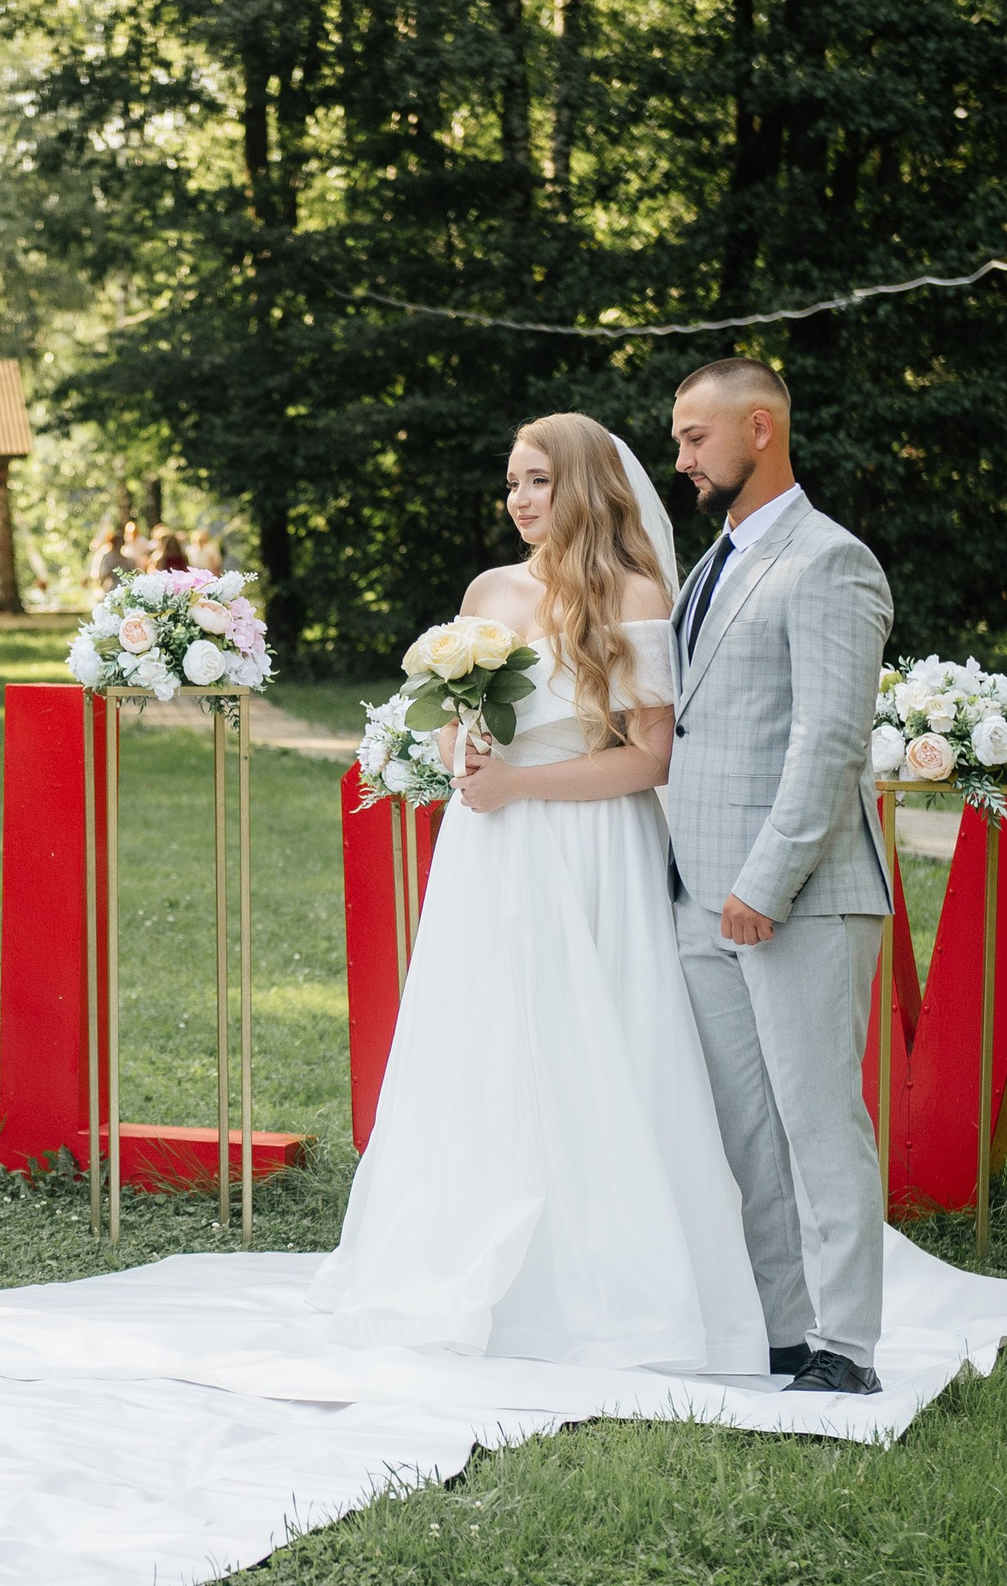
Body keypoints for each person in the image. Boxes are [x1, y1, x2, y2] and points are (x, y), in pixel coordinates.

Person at [307, 412, 770, 1373]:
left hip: (591, 842)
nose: (519, 500)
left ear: (588, 485)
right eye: (512, 482)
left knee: (593, 1040)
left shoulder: (635, 593)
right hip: (492, 852)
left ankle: (604, 1281)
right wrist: (461, 749)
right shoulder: (488, 591)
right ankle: (462, 1256)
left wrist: (517, 781)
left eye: (538, 482)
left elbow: (649, 761)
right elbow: (457, 720)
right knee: (486, 1039)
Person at [665, 357, 895, 1395]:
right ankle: (783, 1328)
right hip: (698, 897)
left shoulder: (830, 560)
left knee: (815, 1120)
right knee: (745, 1132)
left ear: (759, 428)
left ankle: (847, 1344)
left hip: (798, 892)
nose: (682, 458)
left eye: (694, 438)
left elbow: (828, 740)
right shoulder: (707, 562)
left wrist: (762, 883)